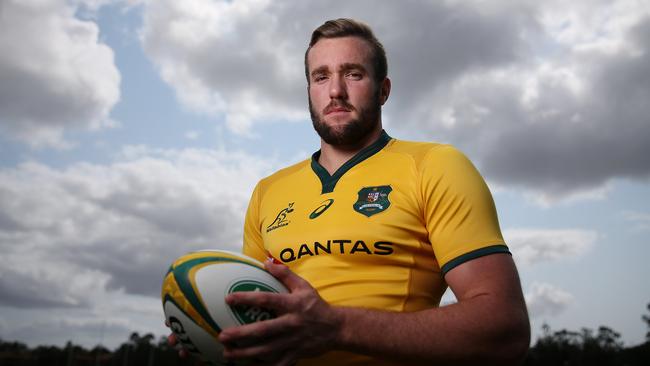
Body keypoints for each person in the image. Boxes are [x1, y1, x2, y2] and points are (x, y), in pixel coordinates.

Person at [172, 18, 530, 365]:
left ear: (383, 89)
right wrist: (213, 336)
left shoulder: (435, 165)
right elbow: (255, 318)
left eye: (353, 74)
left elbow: (504, 328)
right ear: (309, 90)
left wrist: (337, 327)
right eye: (321, 76)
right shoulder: (268, 191)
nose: (335, 91)